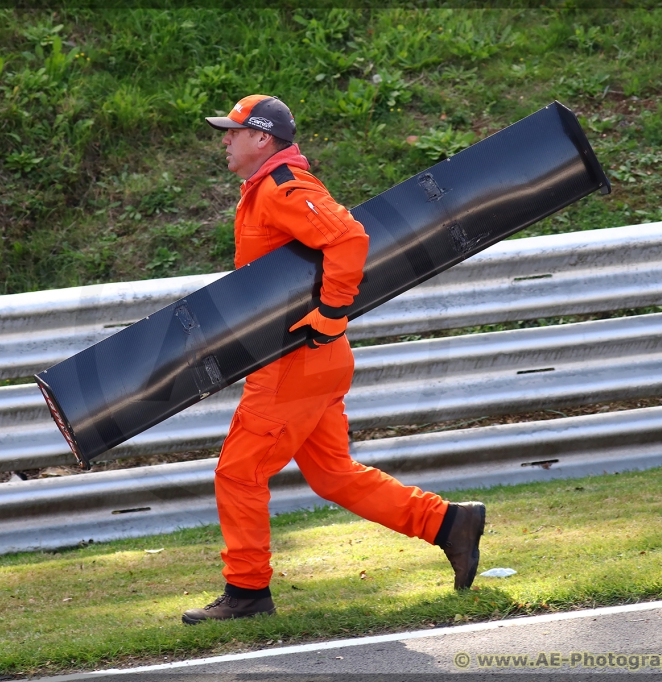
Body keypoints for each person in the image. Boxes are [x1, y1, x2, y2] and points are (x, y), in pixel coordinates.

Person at [181, 95, 485, 625]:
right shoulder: (263, 191)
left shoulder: (283, 189)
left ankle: (247, 591)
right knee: (332, 475)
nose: (224, 140)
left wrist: (332, 311)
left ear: (262, 138)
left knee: (238, 471)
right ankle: (447, 524)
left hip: (297, 360)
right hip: (309, 359)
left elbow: (348, 237)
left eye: (232, 132)